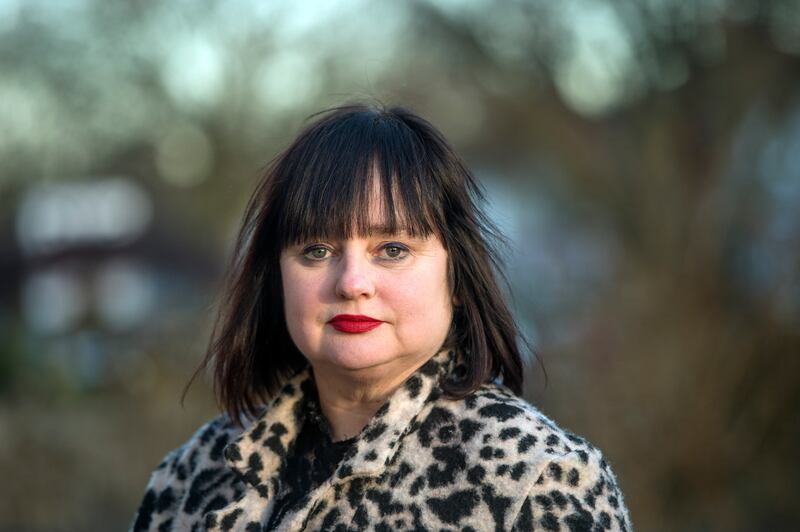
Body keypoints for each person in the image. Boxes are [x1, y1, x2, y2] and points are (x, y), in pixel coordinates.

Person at [130, 104, 633, 531]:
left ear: (456, 277)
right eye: (317, 250)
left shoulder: (537, 482)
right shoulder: (191, 478)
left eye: (391, 249)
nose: (351, 282)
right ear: (276, 276)